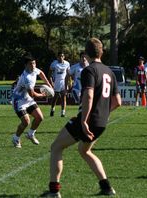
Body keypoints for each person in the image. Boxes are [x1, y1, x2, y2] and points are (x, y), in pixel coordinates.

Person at [41, 38, 121, 197]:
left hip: (89, 120)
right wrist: (103, 114)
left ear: (86, 53)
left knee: (56, 147)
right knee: (85, 151)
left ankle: (54, 191)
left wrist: (84, 120)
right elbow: (118, 102)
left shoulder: (89, 71)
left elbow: (89, 96)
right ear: (102, 52)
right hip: (101, 122)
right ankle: (106, 187)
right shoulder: (109, 72)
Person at [12, 54, 52, 148]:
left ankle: (30, 134)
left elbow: (41, 73)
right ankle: (16, 138)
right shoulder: (27, 78)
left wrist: (48, 84)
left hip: (28, 99)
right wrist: (43, 95)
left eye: (34, 63)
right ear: (26, 65)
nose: (33, 65)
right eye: (30, 64)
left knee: (39, 117)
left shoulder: (34, 70)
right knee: (26, 122)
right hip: (19, 100)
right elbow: (32, 94)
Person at [48, 52, 70, 117]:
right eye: (59, 56)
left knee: (64, 97)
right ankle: (52, 110)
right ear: (57, 57)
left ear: (64, 57)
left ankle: (63, 113)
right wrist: (51, 82)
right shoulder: (54, 64)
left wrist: (69, 82)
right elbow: (49, 74)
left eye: (62, 56)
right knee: (55, 97)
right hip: (56, 82)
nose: (61, 57)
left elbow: (68, 73)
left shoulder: (67, 63)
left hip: (64, 82)